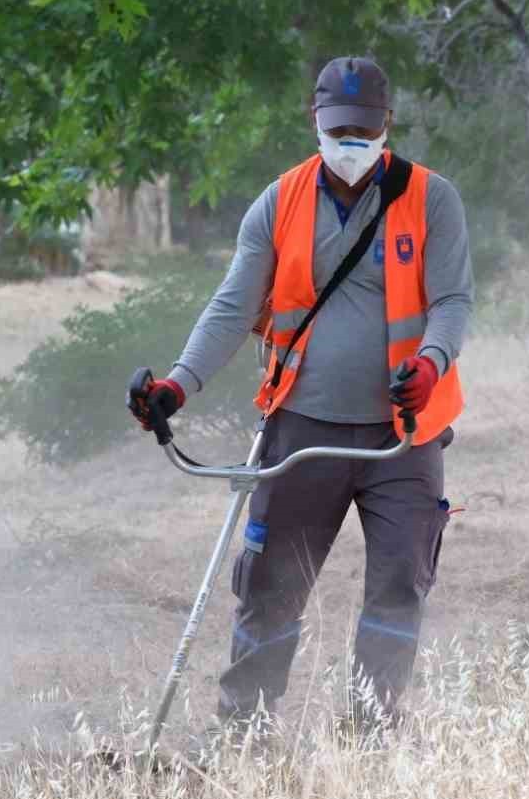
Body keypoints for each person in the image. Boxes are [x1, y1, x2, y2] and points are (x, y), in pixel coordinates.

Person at [128, 55, 472, 749]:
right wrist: (178, 384)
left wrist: (431, 365)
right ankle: (244, 739)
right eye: (339, 129)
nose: (351, 143)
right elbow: (233, 307)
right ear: (315, 121)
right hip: (301, 432)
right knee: (270, 589)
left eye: (364, 130)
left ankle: (372, 739)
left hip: (403, 436)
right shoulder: (279, 201)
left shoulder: (431, 198)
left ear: (387, 125)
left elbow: (451, 301)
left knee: (399, 586)